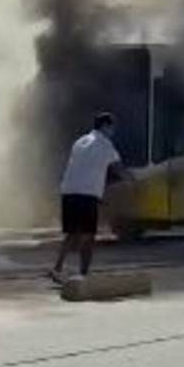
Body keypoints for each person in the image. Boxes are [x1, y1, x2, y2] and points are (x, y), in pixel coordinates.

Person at [50, 112, 130, 283]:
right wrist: (131, 180)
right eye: (112, 127)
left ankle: (57, 268)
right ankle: (84, 274)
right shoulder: (106, 145)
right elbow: (118, 169)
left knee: (71, 233)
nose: (113, 130)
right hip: (87, 194)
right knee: (88, 235)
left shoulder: (79, 141)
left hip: (69, 191)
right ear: (105, 126)